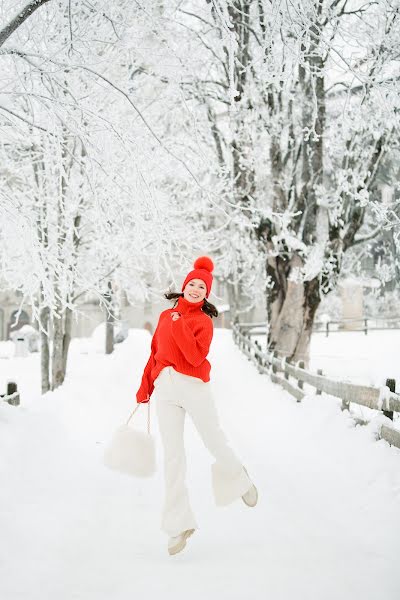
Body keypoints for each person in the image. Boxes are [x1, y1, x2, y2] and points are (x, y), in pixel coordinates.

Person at [136, 256, 258, 556]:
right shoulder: (166, 317)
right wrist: (145, 386)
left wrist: (179, 325)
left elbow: (193, 357)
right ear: (184, 286)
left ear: (206, 293)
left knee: (213, 440)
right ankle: (178, 525)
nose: (195, 289)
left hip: (194, 388)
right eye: (192, 284)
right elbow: (155, 354)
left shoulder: (203, 321)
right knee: (173, 456)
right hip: (165, 388)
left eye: (201, 287)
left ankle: (240, 479)